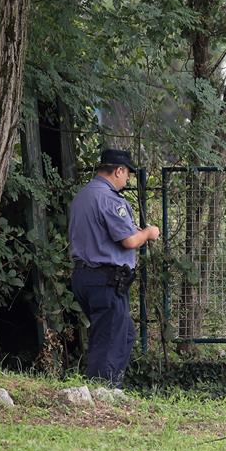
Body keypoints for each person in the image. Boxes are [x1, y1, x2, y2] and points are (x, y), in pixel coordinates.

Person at [69, 149, 160, 387]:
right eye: (127, 174)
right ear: (118, 170)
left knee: (122, 333)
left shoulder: (82, 196)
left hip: (83, 277)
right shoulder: (109, 198)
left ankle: (107, 387)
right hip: (105, 280)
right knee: (111, 338)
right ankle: (103, 391)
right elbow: (129, 241)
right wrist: (149, 233)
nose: (127, 180)